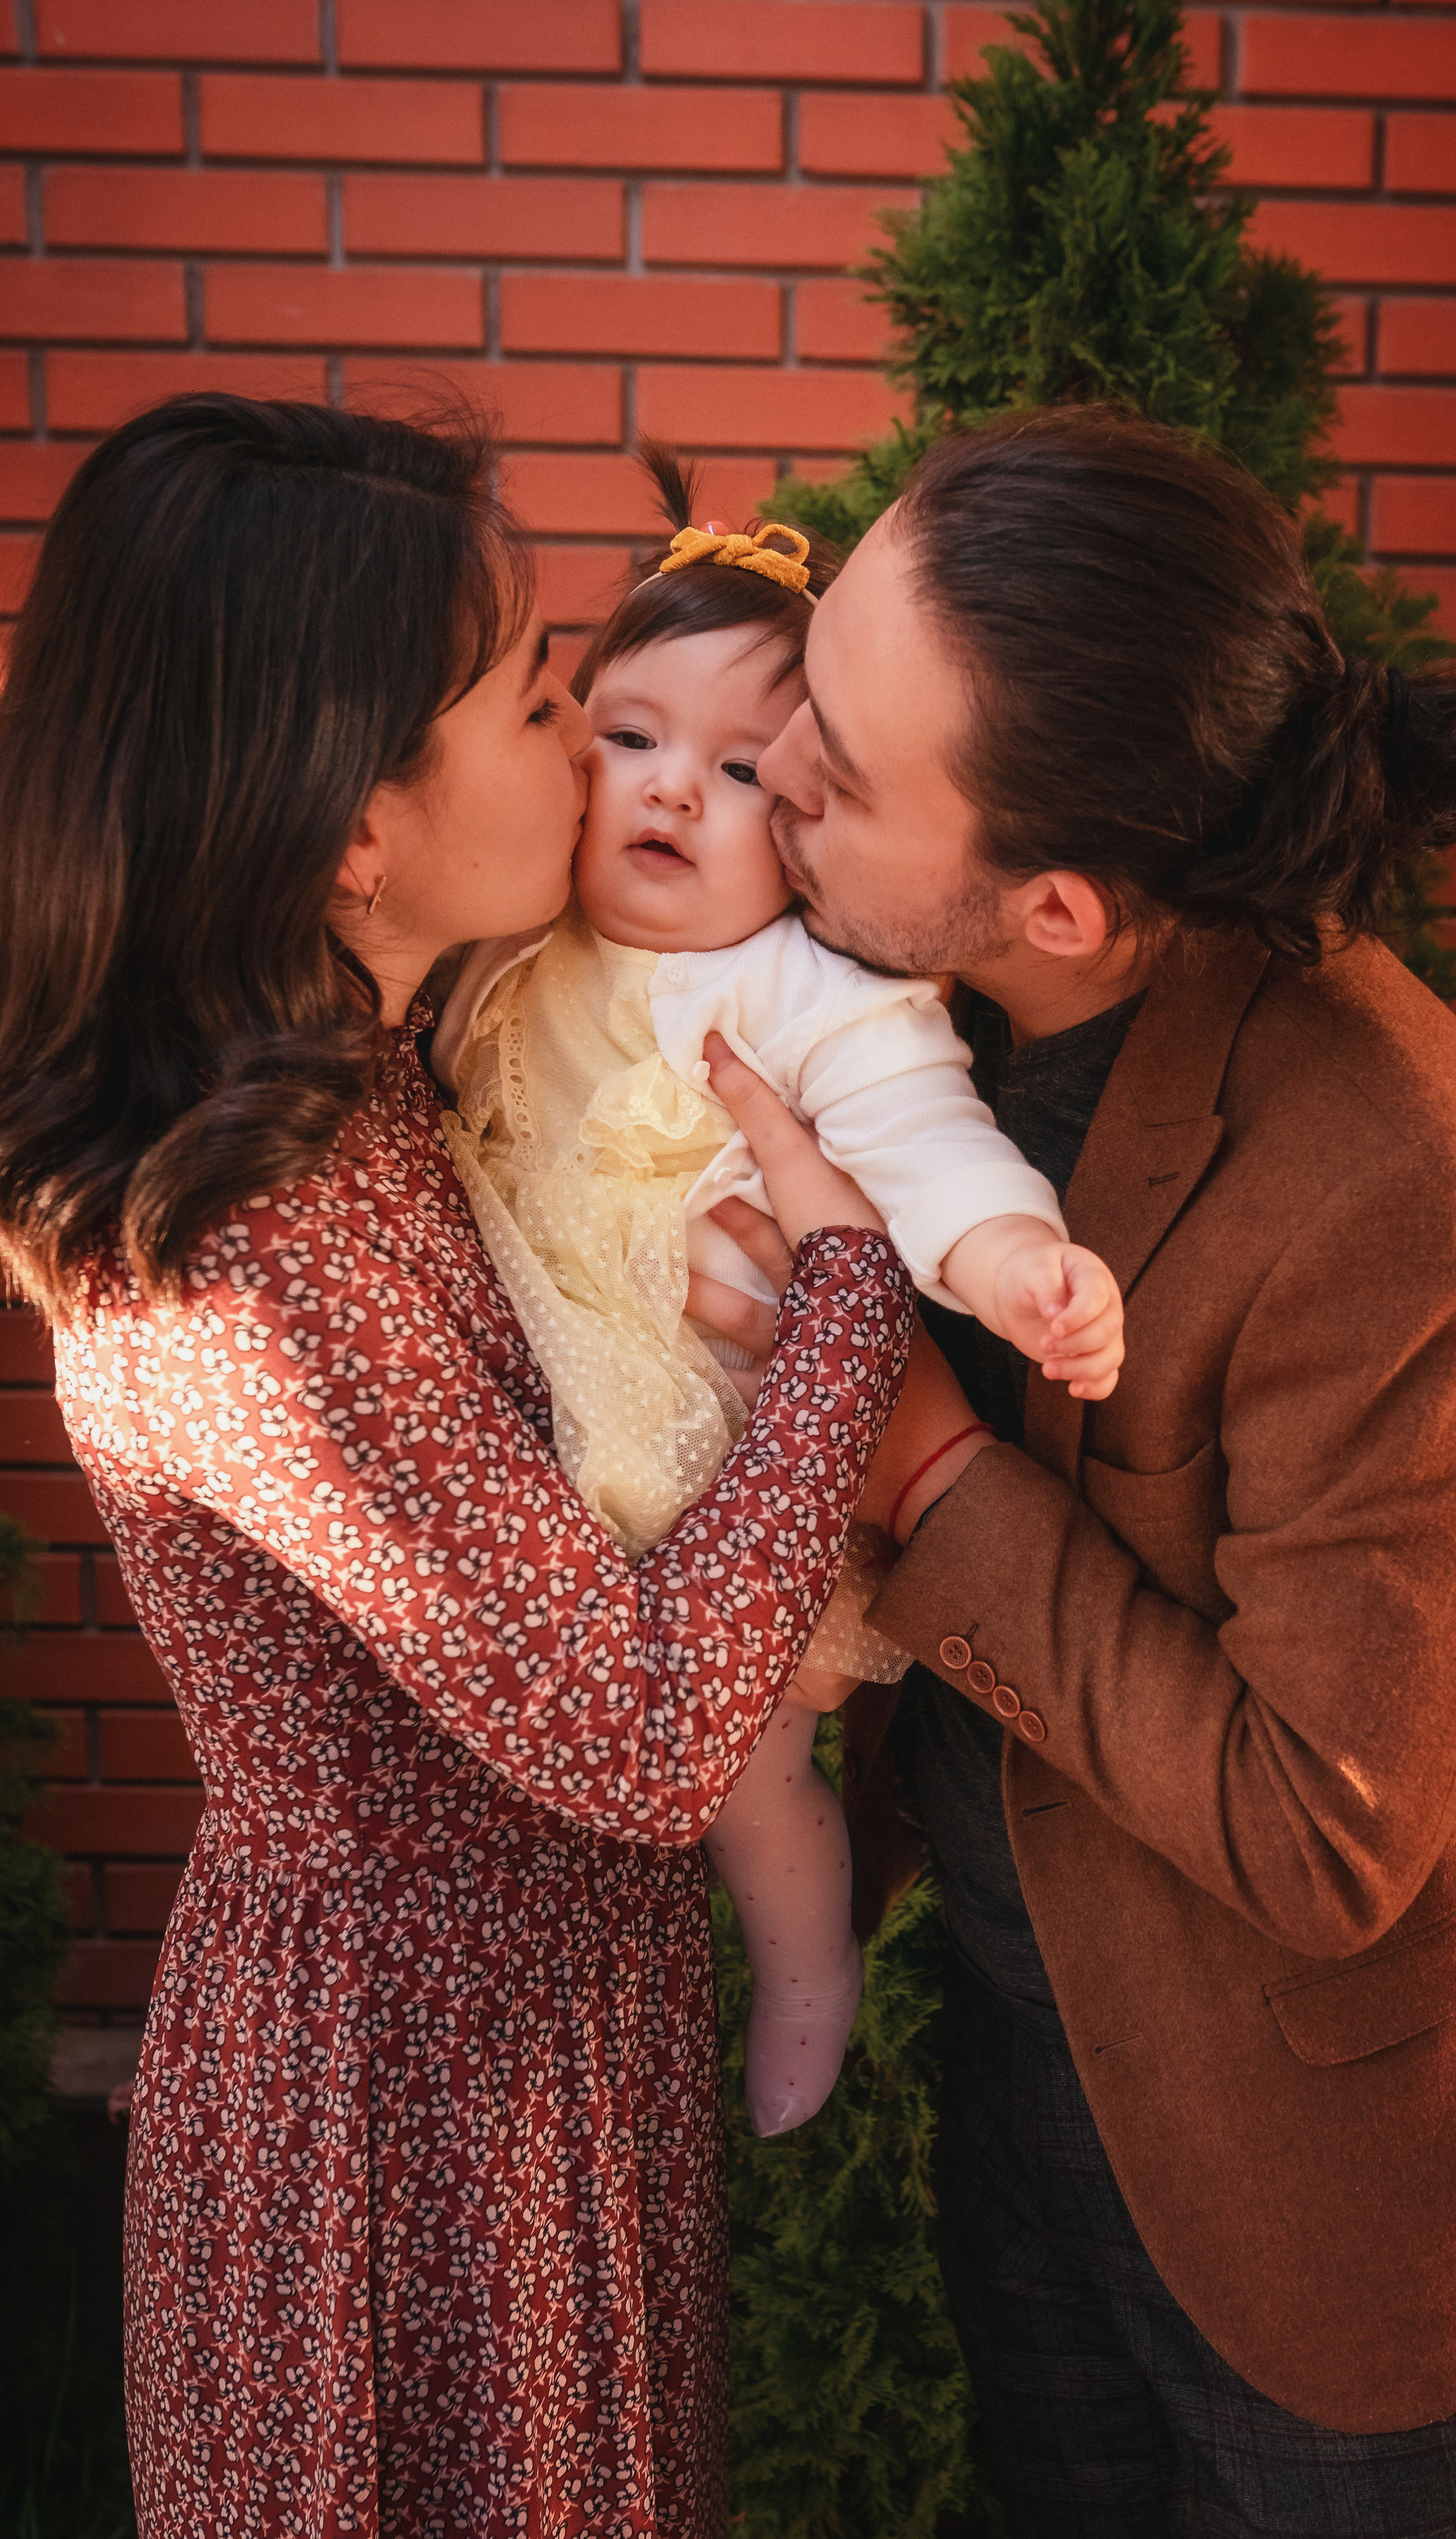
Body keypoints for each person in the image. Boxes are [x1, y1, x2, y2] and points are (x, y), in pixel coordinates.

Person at [0, 393, 979, 2539]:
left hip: (538, 2045)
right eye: (543, 701)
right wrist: (839, 1308)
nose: (592, 752)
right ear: (354, 825)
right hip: (402, 2119)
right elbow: (634, 1729)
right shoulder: (243, 1247)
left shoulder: (383, 1068)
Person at [745, 403, 1456, 2537]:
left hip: (1332, 2191)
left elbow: (1327, 1828)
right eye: (815, 679)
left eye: (844, 768)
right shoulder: (898, 993)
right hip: (1029, 2076)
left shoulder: (1380, 1165)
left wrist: (924, 1458)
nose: (774, 765)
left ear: (1053, 902)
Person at [432, 446, 1123, 2140]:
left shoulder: (813, 994)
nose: (672, 792)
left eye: (742, 770)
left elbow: (923, 1139)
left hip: (734, 1484)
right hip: (531, 1491)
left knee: (755, 1781)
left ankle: (805, 1969)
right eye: (628, 738)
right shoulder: (509, 946)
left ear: (808, 820)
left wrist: (1012, 1257)